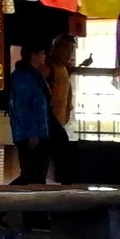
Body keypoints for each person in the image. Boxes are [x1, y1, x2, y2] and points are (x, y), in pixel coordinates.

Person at [7, 44, 54, 184]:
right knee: (32, 175)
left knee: (37, 174)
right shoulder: (24, 77)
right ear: (33, 55)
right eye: (42, 53)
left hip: (40, 132)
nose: (45, 56)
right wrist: (31, 133)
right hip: (31, 135)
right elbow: (22, 107)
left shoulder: (35, 75)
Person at [46, 34, 79, 183]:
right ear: (57, 49)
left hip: (60, 123)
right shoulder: (48, 69)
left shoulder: (64, 69)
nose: (70, 54)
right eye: (68, 49)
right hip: (48, 124)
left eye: (72, 50)